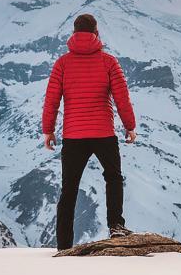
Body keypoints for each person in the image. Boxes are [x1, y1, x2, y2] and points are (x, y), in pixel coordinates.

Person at [42, 13, 137, 250]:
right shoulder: (108, 62)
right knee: (113, 178)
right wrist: (130, 126)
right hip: (104, 133)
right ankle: (116, 226)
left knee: (69, 188)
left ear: (73, 33)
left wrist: (48, 130)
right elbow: (121, 98)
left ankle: (64, 245)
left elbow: (51, 100)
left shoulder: (62, 63)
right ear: (96, 32)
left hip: (74, 136)